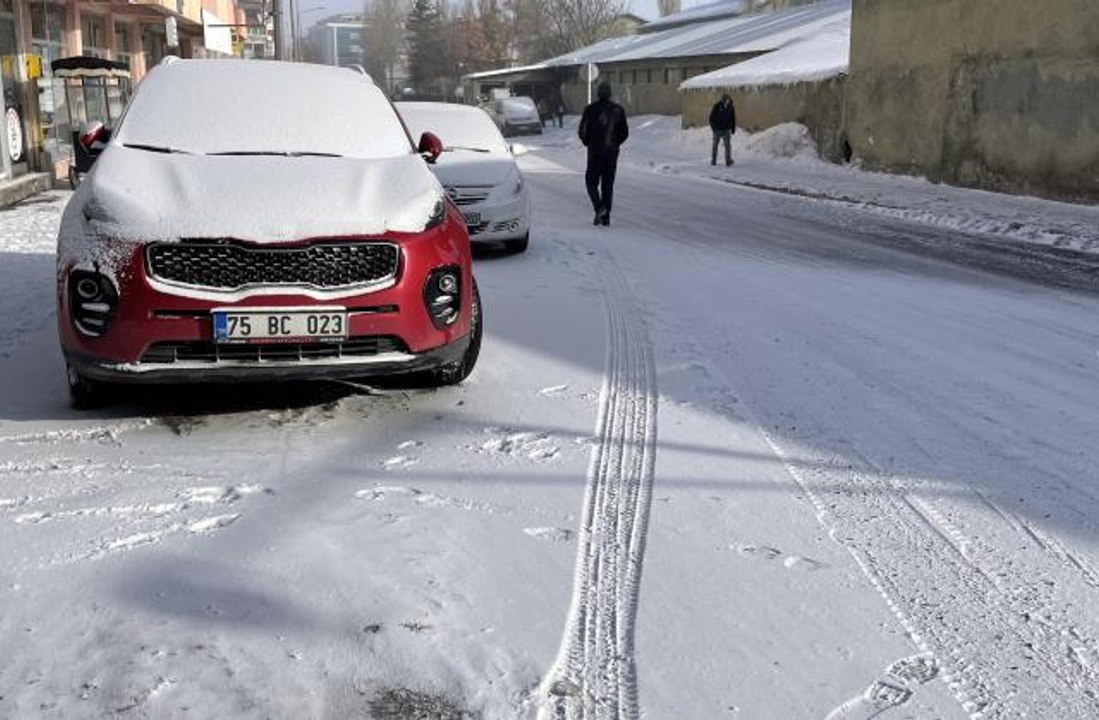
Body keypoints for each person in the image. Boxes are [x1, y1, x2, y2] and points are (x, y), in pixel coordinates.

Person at [578, 82, 629, 227]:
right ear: (610, 93)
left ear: (598, 93)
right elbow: (624, 133)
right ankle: (605, 217)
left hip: (594, 152)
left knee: (591, 182)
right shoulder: (618, 110)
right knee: (608, 185)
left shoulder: (589, 110)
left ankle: (599, 208)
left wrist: (589, 142)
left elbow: (582, 131)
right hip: (611, 153)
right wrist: (615, 143)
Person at [709, 93, 736, 166]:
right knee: (715, 146)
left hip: (726, 130)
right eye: (727, 100)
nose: (728, 101)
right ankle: (713, 160)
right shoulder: (717, 106)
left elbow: (733, 118)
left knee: (727, 146)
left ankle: (728, 161)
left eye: (729, 100)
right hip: (717, 130)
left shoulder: (731, 107)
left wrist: (733, 128)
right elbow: (711, 118)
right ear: (723, 100)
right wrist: (713, 128)